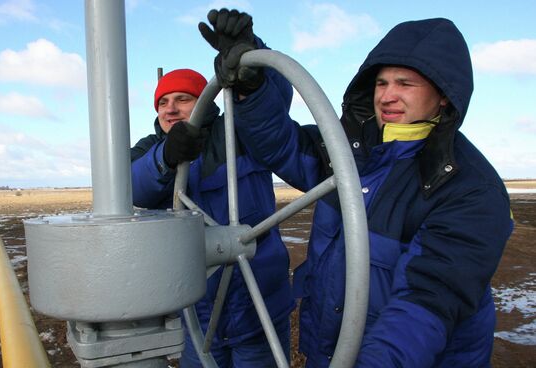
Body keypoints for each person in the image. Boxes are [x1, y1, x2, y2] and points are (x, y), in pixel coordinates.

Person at [199, 9, 514, 367]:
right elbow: (279, 144)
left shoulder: (470, 187)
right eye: (381, 83)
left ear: (443, 96)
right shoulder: (349, 152)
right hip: (332, 352)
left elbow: (426, 302)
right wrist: (253, 88)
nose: (388, 96)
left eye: (405, 84)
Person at [130, 67, 295, 367]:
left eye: (182, 99)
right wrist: (166, 157)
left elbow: (272, 109)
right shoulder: (149, 151)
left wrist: (252, 75)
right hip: (196, 316)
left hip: (257, 307)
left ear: (204, 100)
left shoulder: (241, 133)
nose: (170, 109)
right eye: (163, 102)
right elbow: (128, 184)